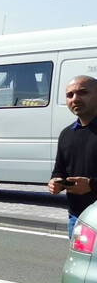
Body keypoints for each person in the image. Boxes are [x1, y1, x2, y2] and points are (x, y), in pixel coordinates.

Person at [49, 75, 97, 237]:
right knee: (81, 263)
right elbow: (59, 171)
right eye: (69, 95)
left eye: (83, 92)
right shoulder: (66, 134)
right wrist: (56, 182)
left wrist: (92, 185)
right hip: (77, 218)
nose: (75, 99)